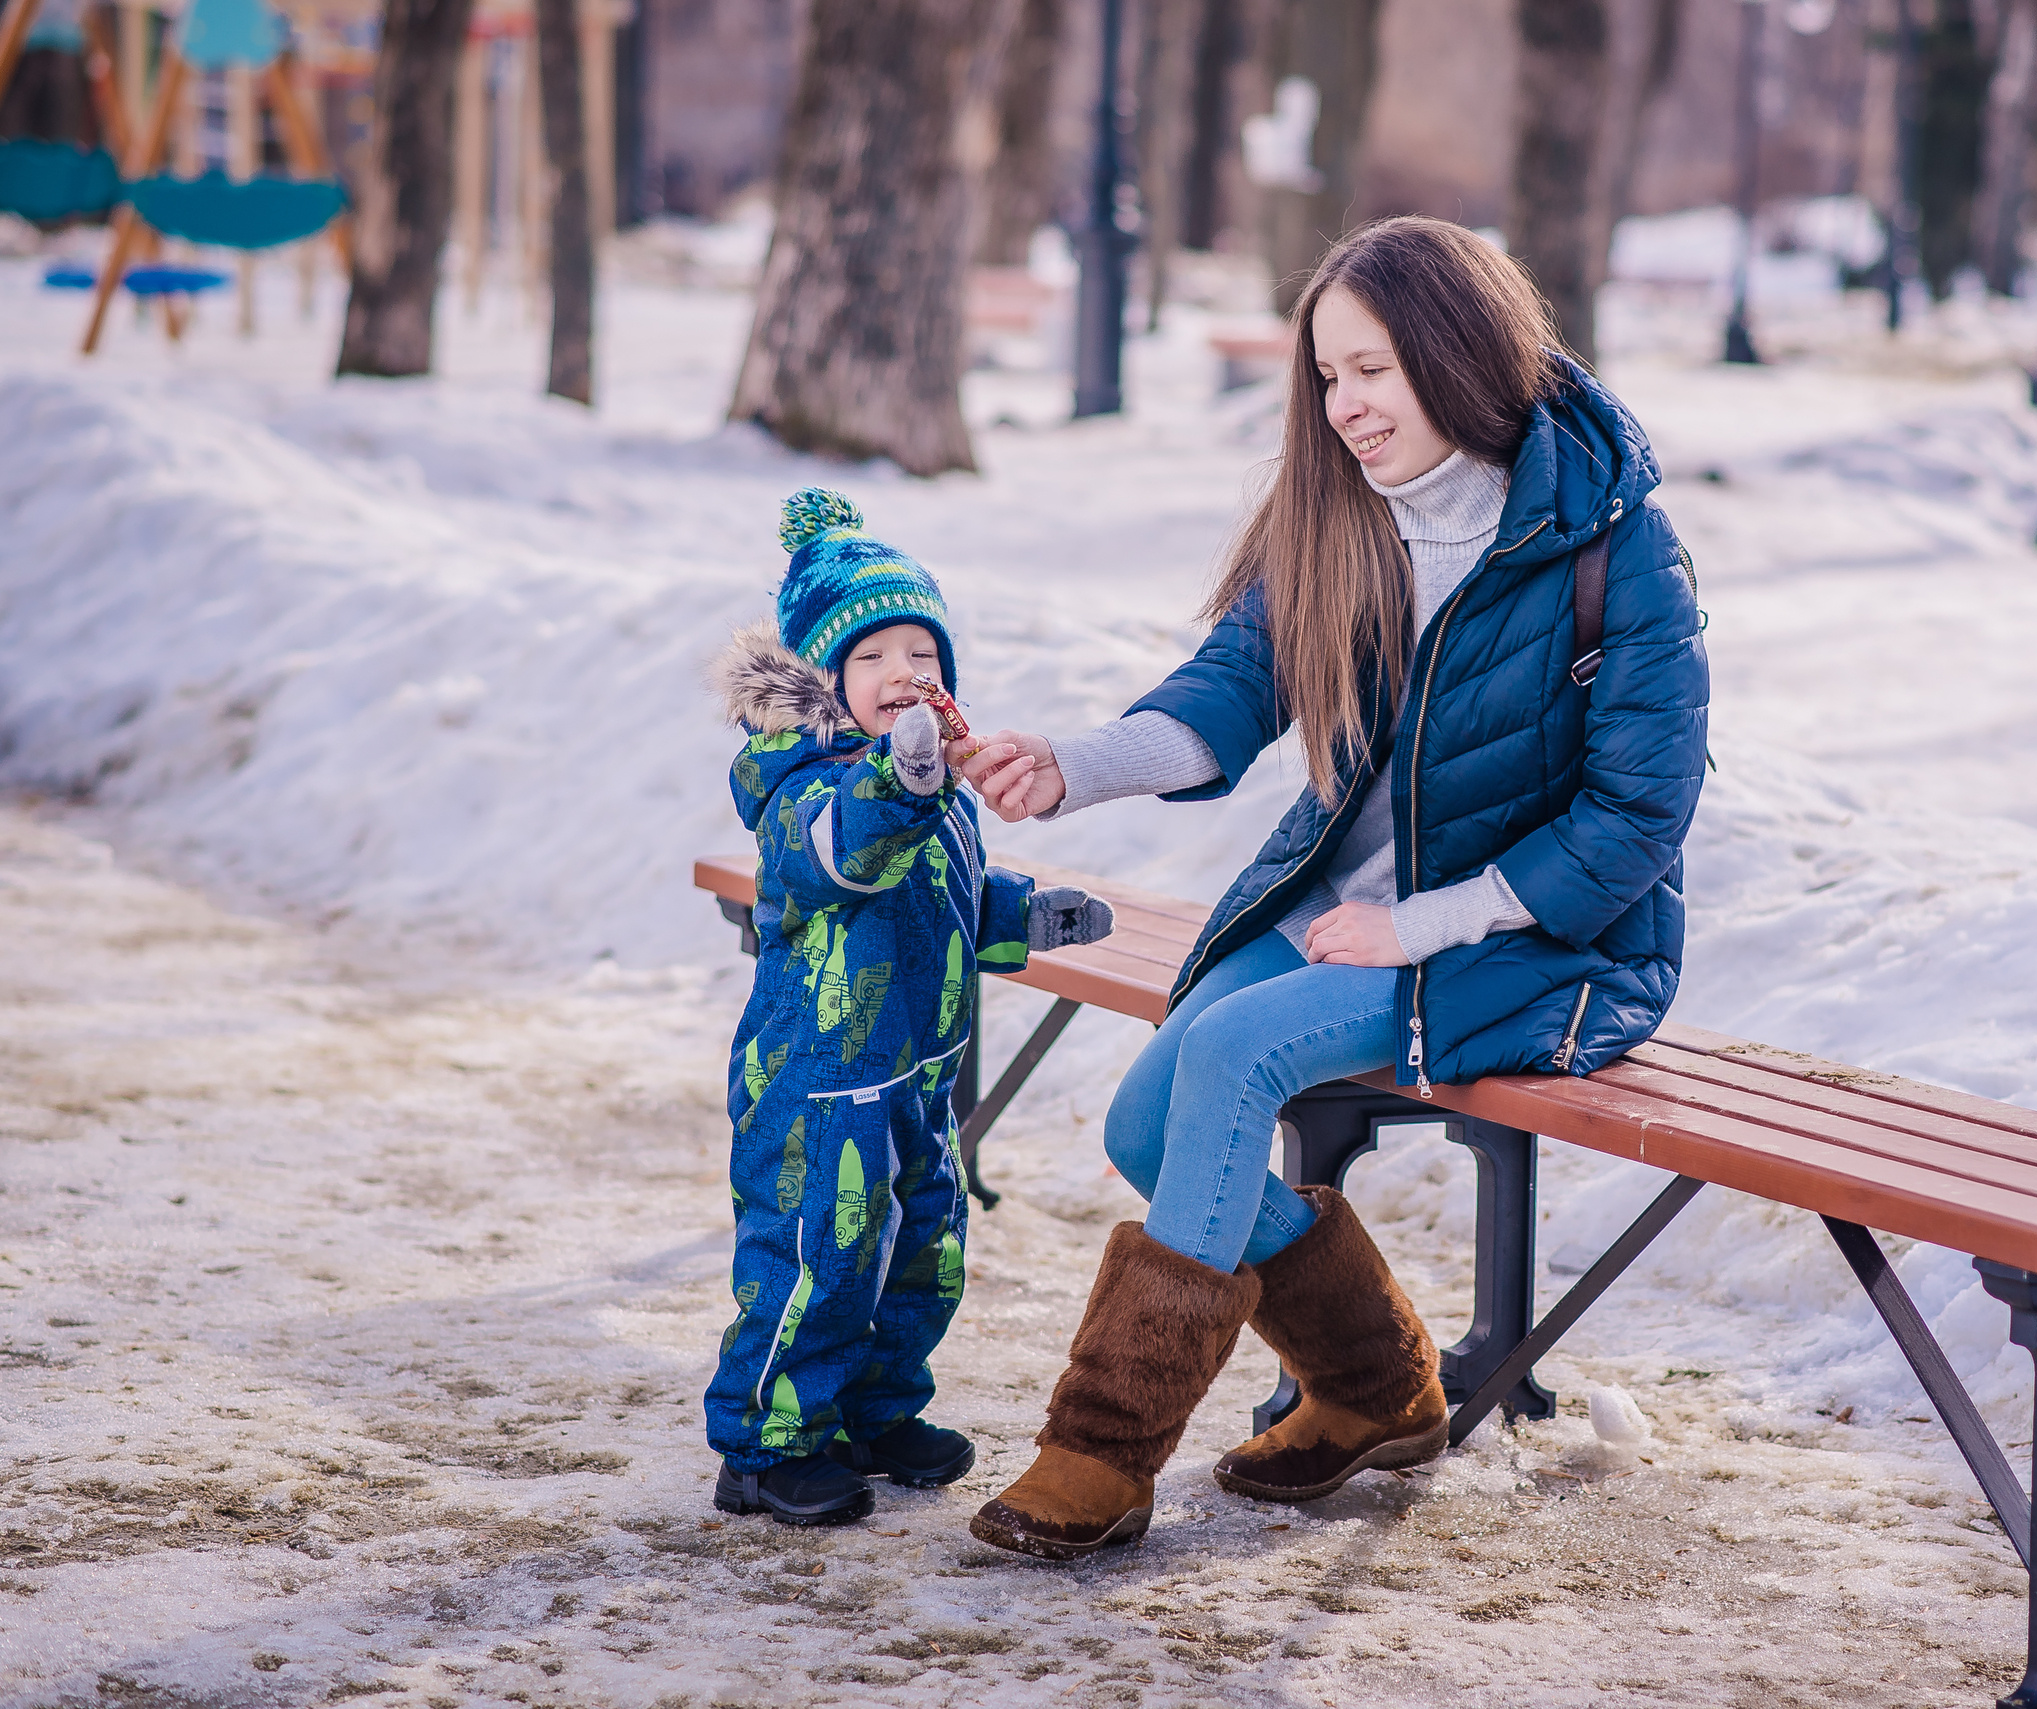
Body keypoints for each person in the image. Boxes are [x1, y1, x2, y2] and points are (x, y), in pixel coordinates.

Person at [954, 217, 1712, 1561]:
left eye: (1372, 371)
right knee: (1145, 1123)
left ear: (1456, 351)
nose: (1343, 406)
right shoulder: (1339, 514)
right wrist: (1072, 766)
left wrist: (1420, 924)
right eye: (1325, 377)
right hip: (1341, 912)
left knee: (1232, 1054)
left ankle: (1104, 1450)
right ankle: (1378, 1387)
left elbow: (1636, 818)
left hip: (1539, 942)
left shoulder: (1615, 543)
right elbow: (1230, 691)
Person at [705, 487, 1116, 1527]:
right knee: (820, 1258)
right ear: (823, 682)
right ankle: (768, 1444)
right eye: (874, 655)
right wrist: (903, 781)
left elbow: (945, 894)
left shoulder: (933, 786)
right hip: (821, 1084)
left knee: (920, 1253)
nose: (905, 671)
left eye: (922, 652)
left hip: (917, 1074)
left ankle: (873, 1412)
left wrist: (1029, 914)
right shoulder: (803, 793)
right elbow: (853, 856)